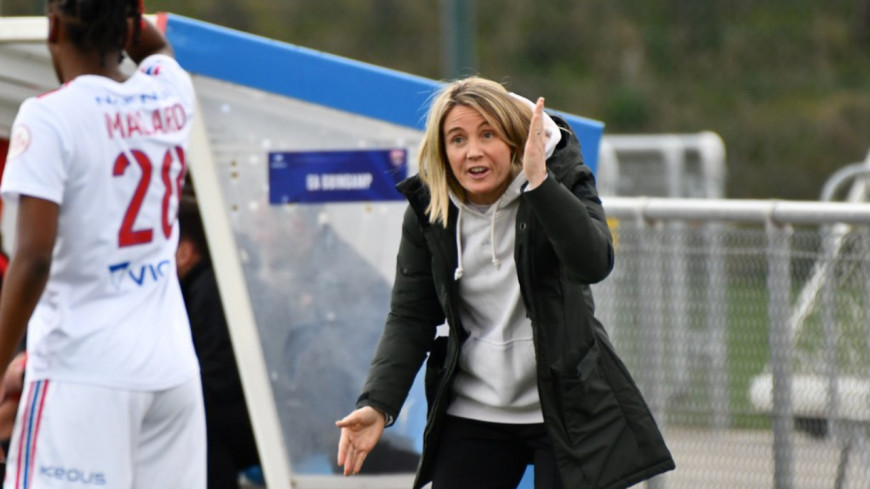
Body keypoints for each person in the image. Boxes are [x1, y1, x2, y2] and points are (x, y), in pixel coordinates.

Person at [336, 76, 675, 489]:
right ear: (443, 150)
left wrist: (541, 184)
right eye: (457, 139)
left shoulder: (561, 180)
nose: (473, 151)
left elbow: (594, 263)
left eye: (488, 134)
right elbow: (410, 318)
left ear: (513, 140)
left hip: (564, 406)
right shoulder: (430, 210)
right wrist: (378, 404)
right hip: (474, 410)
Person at [0, 2, 205, 488]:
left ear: (54, 25)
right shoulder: (170, 93)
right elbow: (158, 47)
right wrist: (124, 17)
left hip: (83, 372)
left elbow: (33, 260)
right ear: (127, 27)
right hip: (172, 371)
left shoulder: (48, 116)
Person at [176, 193, 261, 489]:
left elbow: (218, 378)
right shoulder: (207, 284)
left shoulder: (207, 290)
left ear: (185, 252)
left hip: (242, 421)